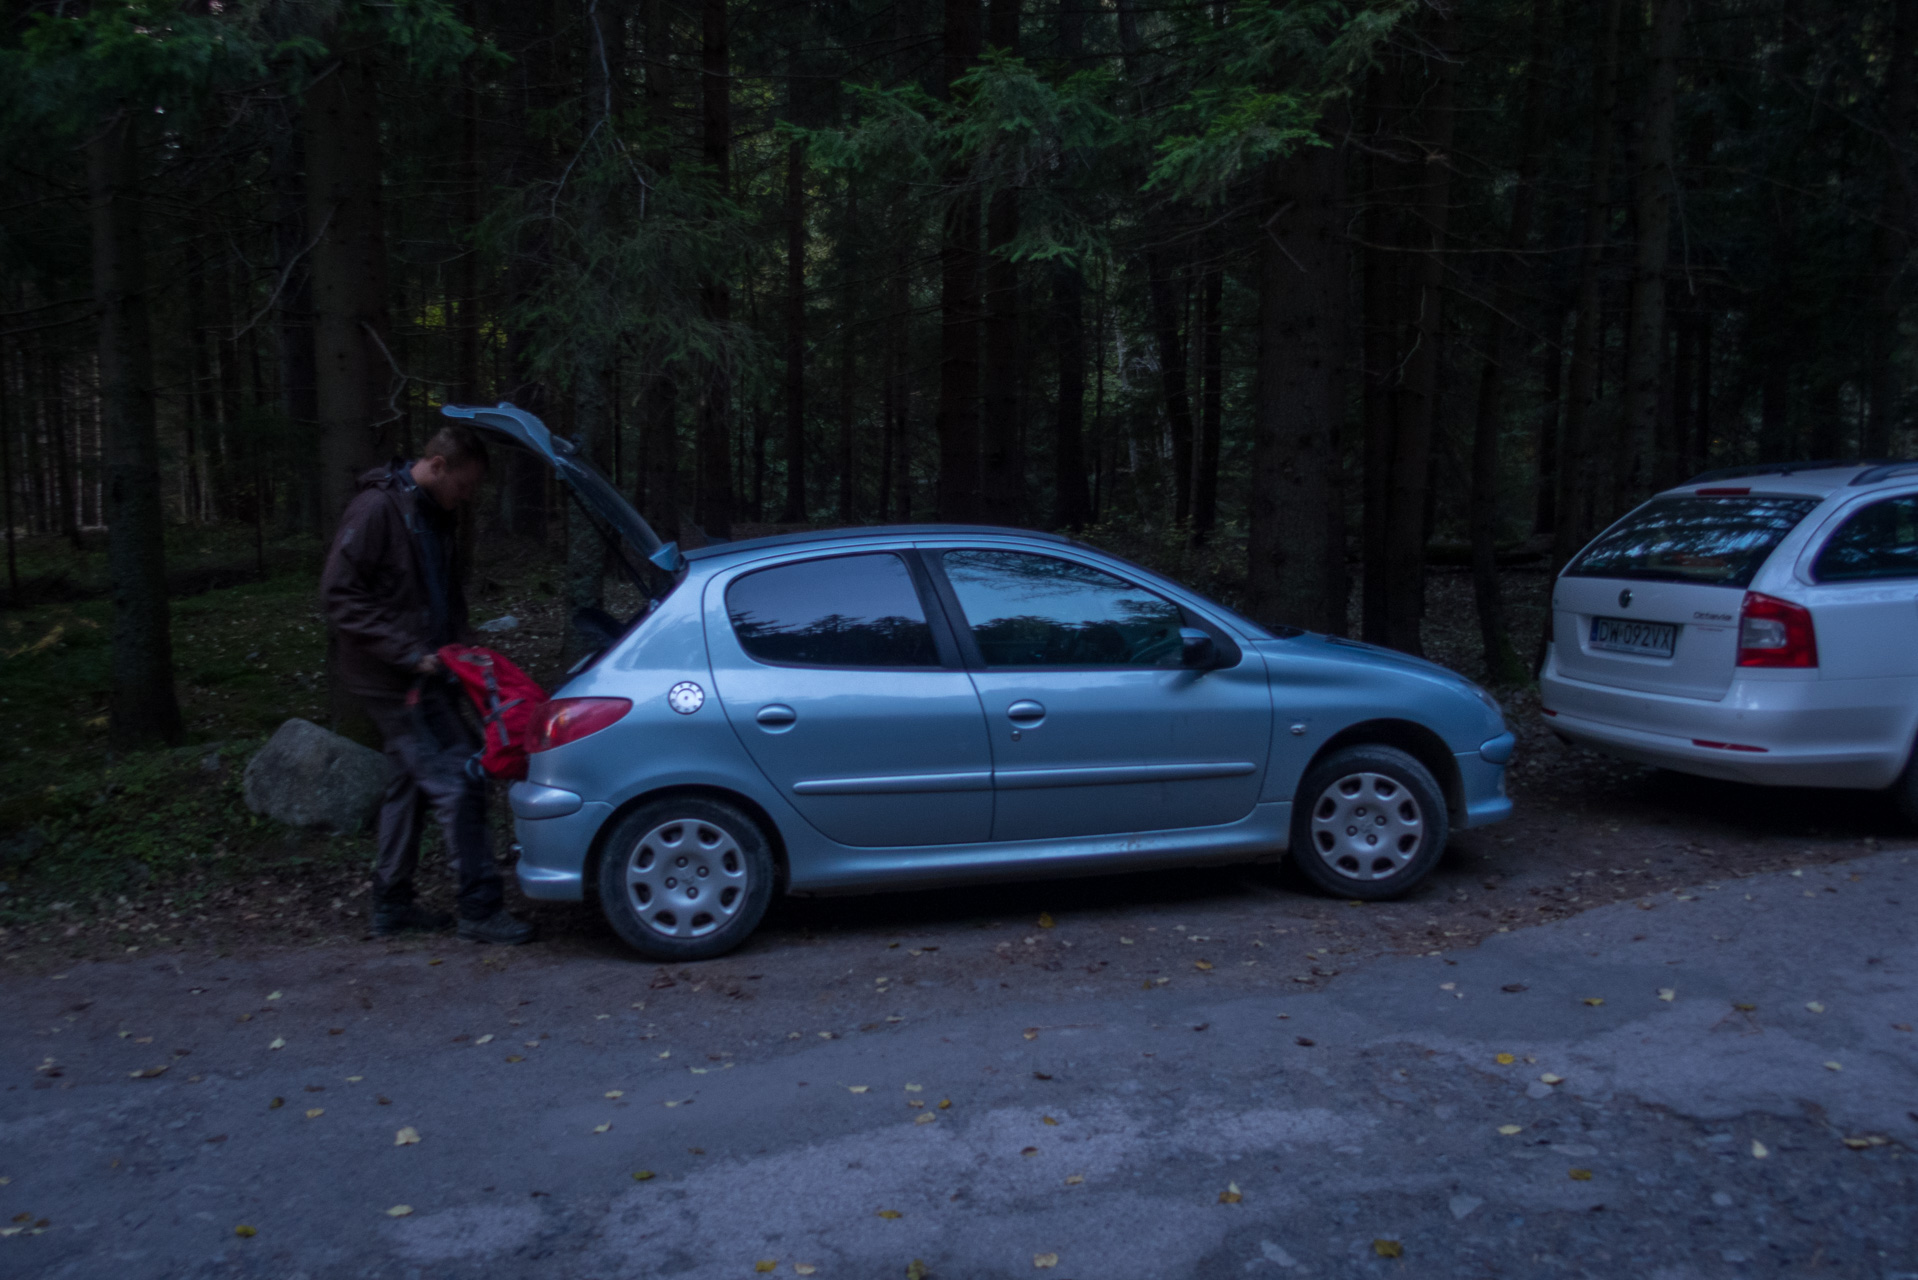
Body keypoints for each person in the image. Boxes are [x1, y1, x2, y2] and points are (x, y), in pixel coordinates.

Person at [320, 424, 536, 945]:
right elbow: (339, 595)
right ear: (437, 465)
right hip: (396, 680)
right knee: (461, 778)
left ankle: (391, 903)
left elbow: (441, 599)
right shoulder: (378, 511)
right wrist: (408, 654)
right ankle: (479, 907)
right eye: (462, 485)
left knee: (410, 784)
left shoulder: (431, 516)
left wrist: (465, 651)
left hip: (429, 669)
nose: (466, 498)